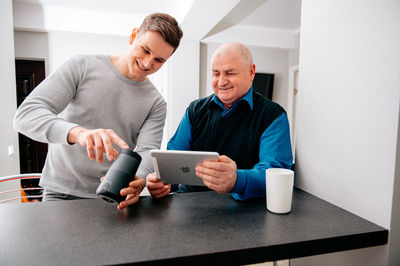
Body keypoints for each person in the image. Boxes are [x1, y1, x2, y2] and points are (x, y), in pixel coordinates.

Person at [13, 13, 183, 209]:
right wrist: (79, 133)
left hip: (112, 196)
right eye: (145, 50)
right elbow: (26, 114)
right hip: (60, 192)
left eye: (159, 60)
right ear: (133, 36)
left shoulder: (156, 102)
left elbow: (146, 151)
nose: (147, 63)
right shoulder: (82, 66)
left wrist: (140, 180)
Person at [146, 42, 293, 201]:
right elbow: (174, 159)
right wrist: (164, 182)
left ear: (251, 72)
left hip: (245, 212)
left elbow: (275, 173)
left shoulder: (272, 115)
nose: (221, 82)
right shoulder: (195, 110)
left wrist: (237, 180)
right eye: (216, 74)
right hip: (190, 205)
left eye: (230, 73)